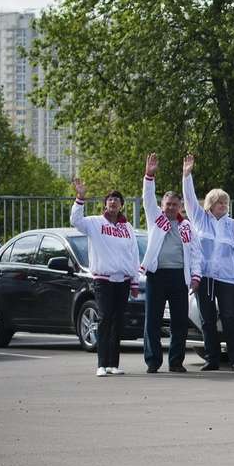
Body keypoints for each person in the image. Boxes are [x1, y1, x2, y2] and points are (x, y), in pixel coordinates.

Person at [182, 154, 234, 371]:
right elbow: (190, 200)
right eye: (219, 202)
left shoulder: (233, 225)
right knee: (207, 319)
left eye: (225, 202)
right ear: (211, 204)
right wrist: (187, 175)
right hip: (205, 277)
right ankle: (212, 359)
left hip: (227, 277)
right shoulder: (200, 219)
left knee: (230, 317)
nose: (223, 205)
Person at [70, 178, 140, 377]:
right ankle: (101, 364)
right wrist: (80, 197)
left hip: (123, 280)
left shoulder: (127, 229)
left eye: (117, 200)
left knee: (118, 321)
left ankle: (113, 364)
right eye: (110, 199)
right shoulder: (94, 223)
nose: (113, 202)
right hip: (103, 280)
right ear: (105, 204)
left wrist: (134, 281)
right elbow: (75, 221)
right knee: (105, 318)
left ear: (121, 205)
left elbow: (133, 254)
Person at [141, 153, 201, 373]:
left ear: (180, 206)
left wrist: (195, 277)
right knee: (153, 321)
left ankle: (176, 362)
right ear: (162, 205)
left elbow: (195, 253)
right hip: (157, 275)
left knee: (178, 322)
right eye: (167, 204)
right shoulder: (155, 218)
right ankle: (152, 361)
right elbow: (147, 197)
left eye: (175, 205)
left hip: (179, 277)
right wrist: (149, 175)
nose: (171, 208)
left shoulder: (187, 226)